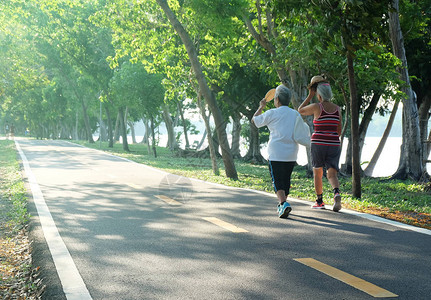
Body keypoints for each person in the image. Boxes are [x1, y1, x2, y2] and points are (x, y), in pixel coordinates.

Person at [252, 84, 299, 218]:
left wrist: (261, 106)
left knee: (277, 180)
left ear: (277, 99)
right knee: (286, 179)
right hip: (292, 153)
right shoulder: (295, 114)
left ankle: (283, 203)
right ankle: (281, 205)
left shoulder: (272, 112)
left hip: (276, 153)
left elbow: (254, 121)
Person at [298, 77, 342, 212]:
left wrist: (310, 95)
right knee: (332, 174)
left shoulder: (317, 107)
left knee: (318, 172)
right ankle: (336, 193)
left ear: (319, 95)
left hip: (318, 143)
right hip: (334, 143)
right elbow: (338, 131)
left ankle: (319, 201)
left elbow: (300, 110)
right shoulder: (337, 109)